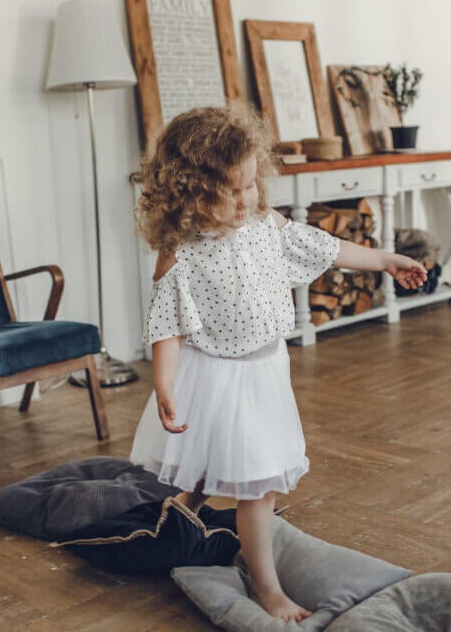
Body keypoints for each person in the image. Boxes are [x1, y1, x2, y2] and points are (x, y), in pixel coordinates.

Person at [130, 106, 426, 622]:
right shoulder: (182, 254)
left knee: (230, 455)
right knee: (258, 482)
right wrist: (164, 385)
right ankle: (268, 589)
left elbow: (327, 247)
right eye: (231, 190)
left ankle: (189, 502)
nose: (247, 199)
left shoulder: (268, 226)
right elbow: (167, 327)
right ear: (192, 192)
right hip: (217, 373)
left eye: (250, 185)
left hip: (265, 371)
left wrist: (385, 260)